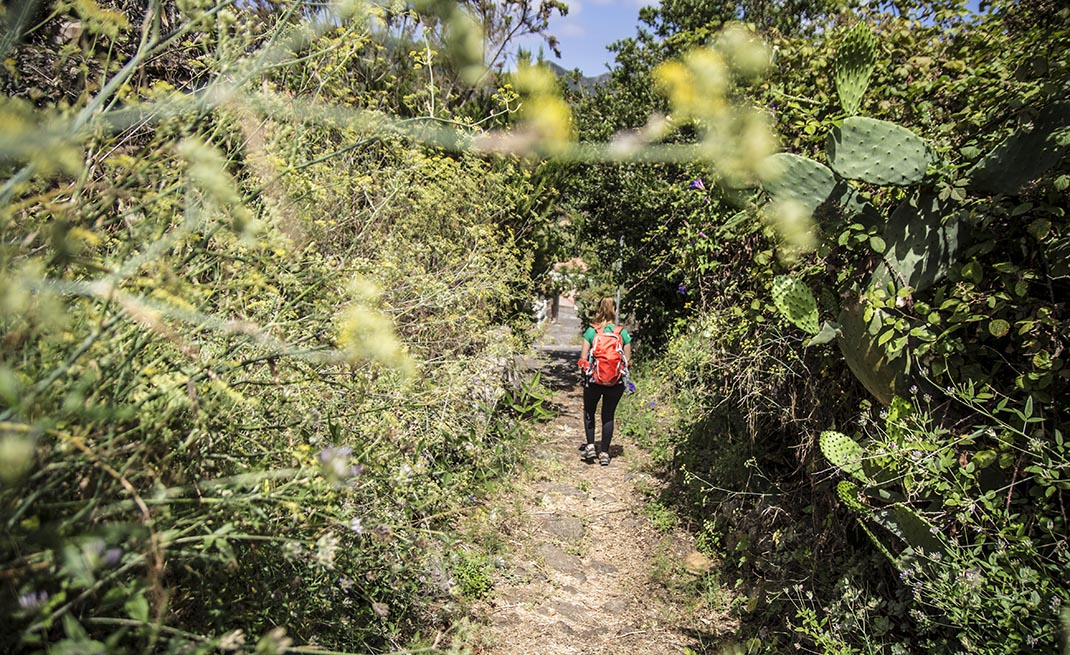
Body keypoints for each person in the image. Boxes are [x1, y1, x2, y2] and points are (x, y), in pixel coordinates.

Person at [577, 297, 632, 466]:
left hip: (594, 380)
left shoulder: (591, 331)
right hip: (615, 382)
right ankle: (605, 453)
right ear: (614, 310)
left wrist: (586, 373)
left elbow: (583, 359)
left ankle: (591, 446)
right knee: (608, 415)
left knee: (589, 412)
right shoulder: (621, 332)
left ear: (599, 309)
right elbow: (627, 360)